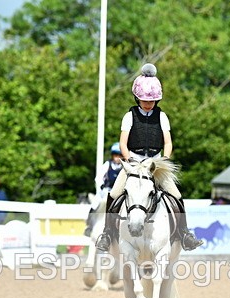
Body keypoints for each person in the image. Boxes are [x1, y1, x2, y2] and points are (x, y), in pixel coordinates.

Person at [95, 63, 203, 252]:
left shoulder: (162, 117)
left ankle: (184, 233)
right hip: (133, 162)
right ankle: (107, 232)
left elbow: (168, 143)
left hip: (155, 163)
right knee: (113, 195)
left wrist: (164, 160)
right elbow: (122, 143)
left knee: (177, 195)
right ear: (137, 98)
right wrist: (130, 162)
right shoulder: (129, 116)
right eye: (144, 100)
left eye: (152, 101)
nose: (148, 103)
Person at [84, 143, 124, 236]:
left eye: (119, 155)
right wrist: (101, 186)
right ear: (112, 155)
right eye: (115, 155)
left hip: (118, 193)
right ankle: (89, 226)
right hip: (106, 191)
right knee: (95, 203)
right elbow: (98, 178)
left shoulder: (124, 167)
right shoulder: (107, 164)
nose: (117, 158)